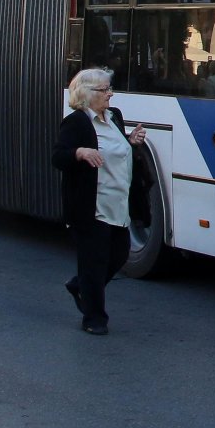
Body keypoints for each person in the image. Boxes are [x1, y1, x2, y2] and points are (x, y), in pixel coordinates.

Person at [51, 68, 148, 336]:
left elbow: (116, 150)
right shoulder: (76, 123)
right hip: (90, 205)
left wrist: (131, 142)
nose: (110, 94)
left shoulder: (114, 116)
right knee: (94, 262)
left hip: (118, 202)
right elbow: (58, 157)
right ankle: (94, 318)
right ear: (87, 93)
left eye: (109, 89)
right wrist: (80, 152)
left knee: (119, 254)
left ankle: (80, 285)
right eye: (105, 90)